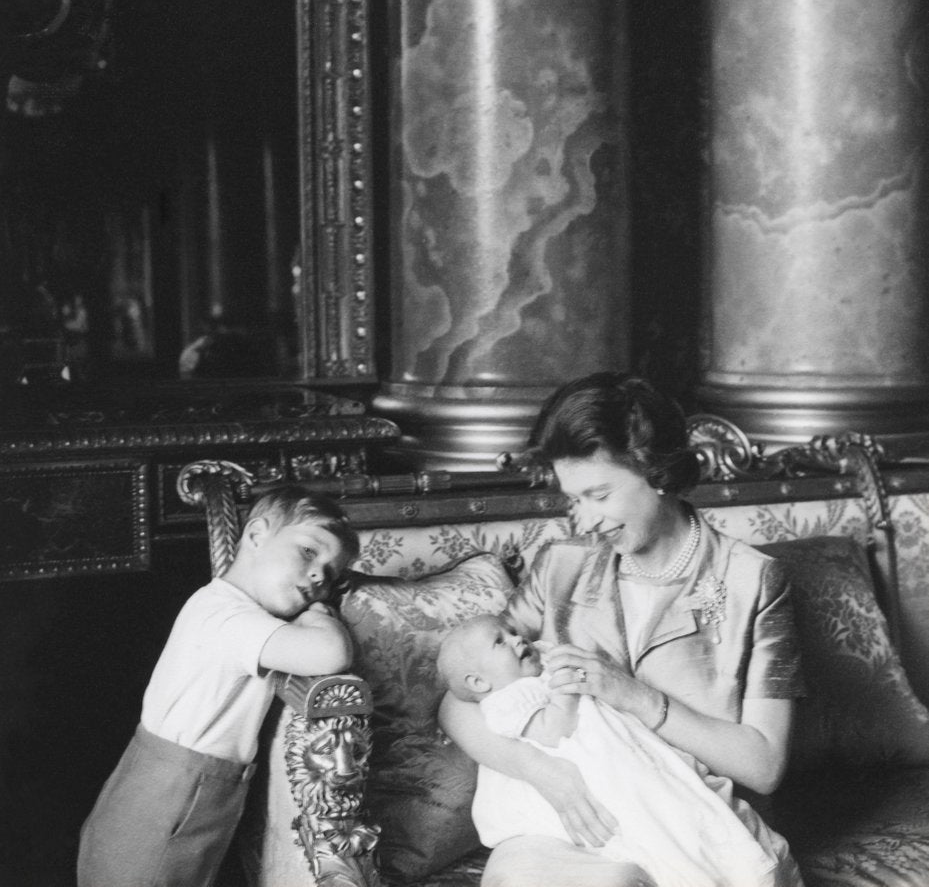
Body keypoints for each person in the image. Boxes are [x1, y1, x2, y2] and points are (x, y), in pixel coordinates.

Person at [438, 372, 806, 887]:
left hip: (691, 830)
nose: (583, 521)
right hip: (567, 828)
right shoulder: (562, 565)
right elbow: (460, 696)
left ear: (655, 470)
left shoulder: (752, 580)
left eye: (598, 495)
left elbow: (764, 764)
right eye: (573, 500)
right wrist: (545, 773)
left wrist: (629, 694)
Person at [77, 485, 359, 887]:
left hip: (178, 791)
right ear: (257, 535)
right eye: (309, 552)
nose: (319, 576)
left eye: (331, 574)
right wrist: (321, 613)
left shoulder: (225, 606)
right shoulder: (229, 618)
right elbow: (330, 653)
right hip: (169, 799)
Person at [438, 613, 795, 887]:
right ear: (479, 682)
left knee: (695, 828)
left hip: (640, 765)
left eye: (514, 632)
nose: (518, 639)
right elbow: (466, 704)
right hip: (570, 806)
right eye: (501, 641)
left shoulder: (753, 578)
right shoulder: (510, 697)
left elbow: (764, 767)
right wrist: (540, 765)